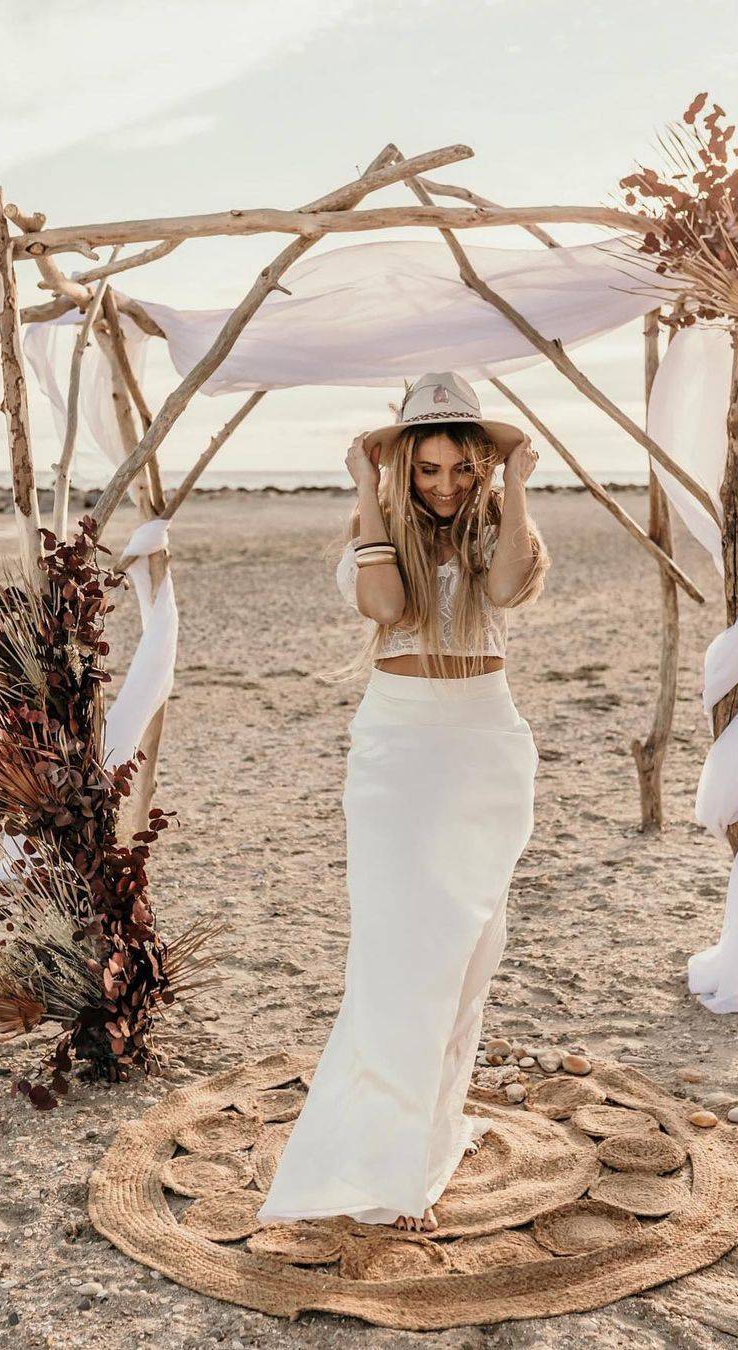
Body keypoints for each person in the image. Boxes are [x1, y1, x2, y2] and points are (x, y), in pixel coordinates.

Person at [255, 371, 549, 1233]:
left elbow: (499, 593)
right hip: (398, 748)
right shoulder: (369, 534)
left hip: (484, 745)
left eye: (463, 467)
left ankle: (419, 1154)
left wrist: (520, 486)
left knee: (463, 959)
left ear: (485, 466)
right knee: (395, 958)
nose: (446, 484)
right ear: (401, 468)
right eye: (426, 468)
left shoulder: (504, 530)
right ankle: (372, 1164)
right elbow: (385, 603)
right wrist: (368, 491)